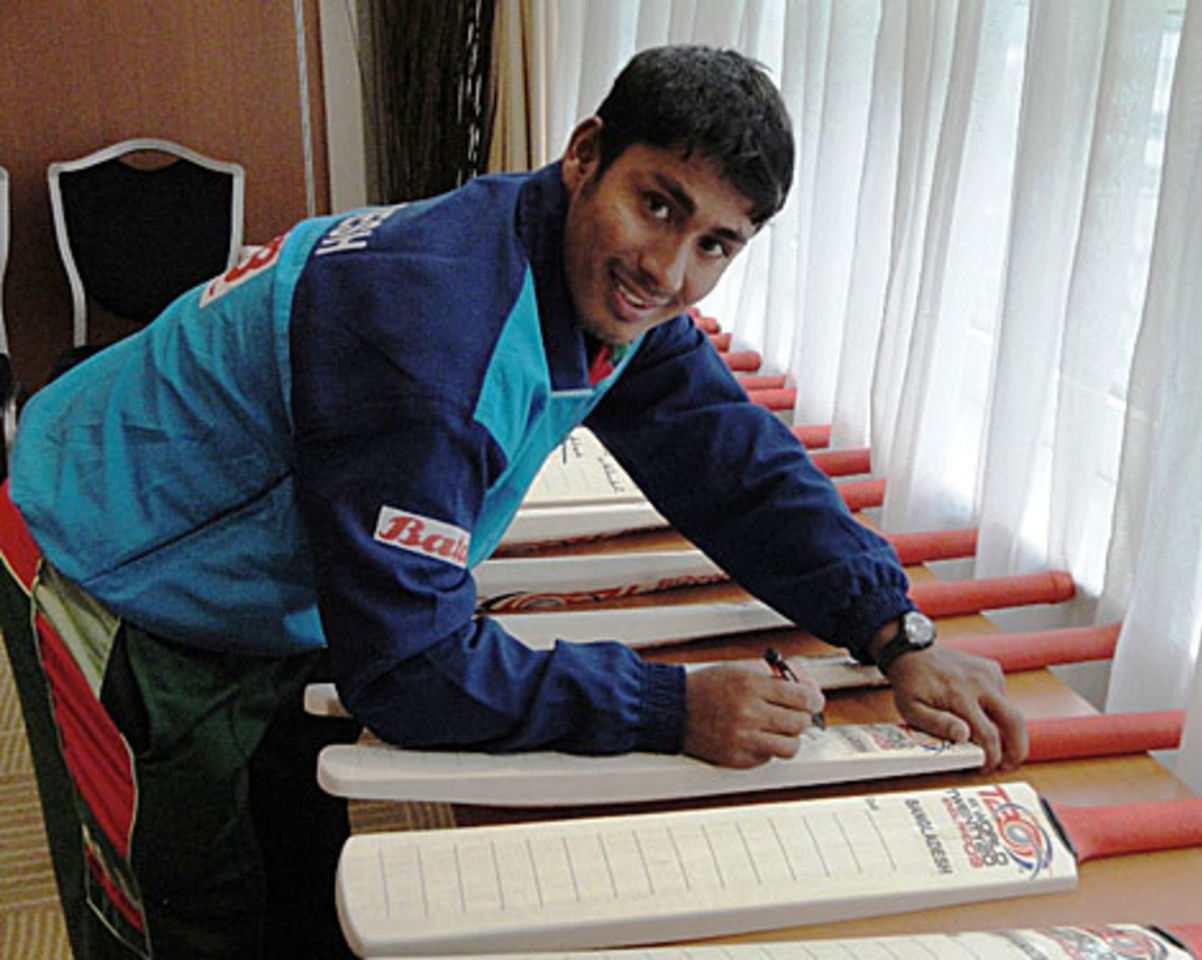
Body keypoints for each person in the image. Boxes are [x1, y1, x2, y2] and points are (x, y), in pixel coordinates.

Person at [0, 45, 1026, 959]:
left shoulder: (584, 263)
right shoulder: (428, 345)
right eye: (657, 204)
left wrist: (893, 629)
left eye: (715, 244)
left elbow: (730, 461)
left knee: (302, 838)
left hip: (270, 569)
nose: (667, 271)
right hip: (110, 560)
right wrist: (668, 707)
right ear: (583, 153)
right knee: (185, 898)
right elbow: (407, 670)